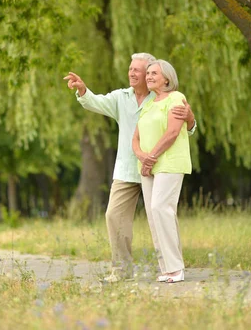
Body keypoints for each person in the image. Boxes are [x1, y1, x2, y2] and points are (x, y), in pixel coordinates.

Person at [64, 53, 196, 282]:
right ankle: (123, 270)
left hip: (158, 166)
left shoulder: (166, 98)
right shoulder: (121, 97)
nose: (133, 73)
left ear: (154, 75)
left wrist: (191, 119)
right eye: (131, 69)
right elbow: (97, 103)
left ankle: (172, 267)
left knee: (162, 214)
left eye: (141, 70)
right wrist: (83, 90)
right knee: (114, 215)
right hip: (129, 167)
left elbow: (184, 129)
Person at [132, 59, 192, 283]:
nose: (148, 76)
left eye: (154, 73)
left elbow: (172, 132)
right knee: (153, 215)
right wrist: (141, 156)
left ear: (166, 77)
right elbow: (135, 137)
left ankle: (176, 267)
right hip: (148, 166)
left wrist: (152, 157)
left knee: (161, 208)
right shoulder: (148, 103)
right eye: (147, 73)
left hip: (169, 163)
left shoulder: (176, 98)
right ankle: (166, 267)